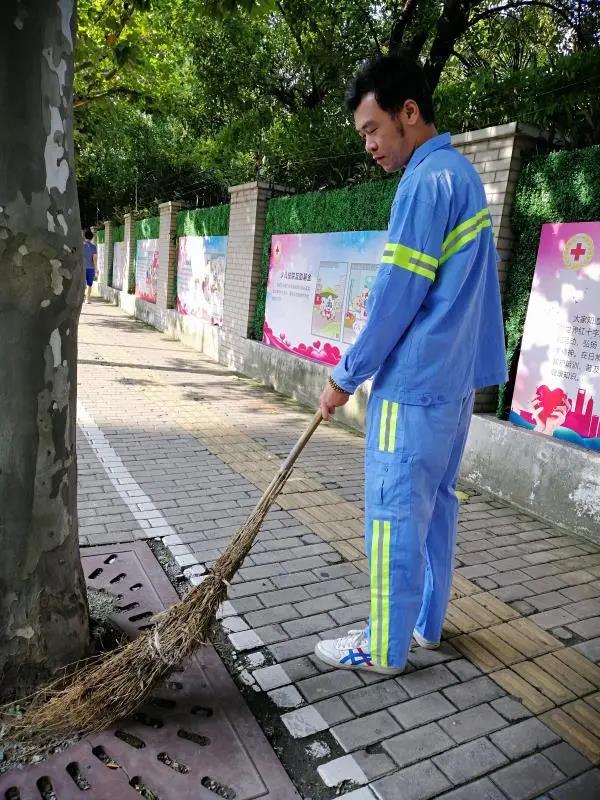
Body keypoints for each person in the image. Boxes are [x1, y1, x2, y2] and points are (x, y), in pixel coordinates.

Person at [314, 55, 507, 675]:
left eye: (372, 129)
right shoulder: (464, 177)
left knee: (394, 516)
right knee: (437, 507)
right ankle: (424, 626)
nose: (368, 144)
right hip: (451, 392)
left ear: (410, 112)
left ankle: (383, 647)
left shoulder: (423, 184)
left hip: (412, 386)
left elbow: (397, 294)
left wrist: (345, 375)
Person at [83, 228, 97, 304]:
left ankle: (82, 297)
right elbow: (94, 259)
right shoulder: (93, 247)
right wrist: (96, 269)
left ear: (85, 236)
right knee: (89, 284)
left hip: (82, 268)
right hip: (90, 268)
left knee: (82, 283)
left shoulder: (81, 245)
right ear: (92, 237)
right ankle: (87, 299)